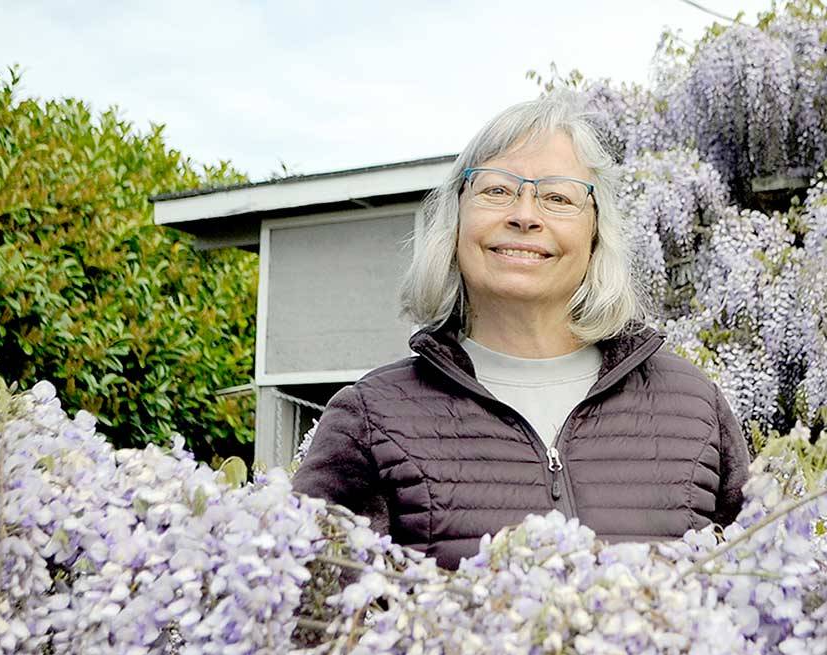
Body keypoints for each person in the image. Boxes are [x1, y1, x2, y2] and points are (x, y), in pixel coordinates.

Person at [292, 92, 750, 569]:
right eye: (496, 190)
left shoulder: (694, 408)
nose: (525, 215)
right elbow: (313, 618)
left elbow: (755, 606)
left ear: (596, 234)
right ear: (454, 221)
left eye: (557, 197)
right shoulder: (372, 417)